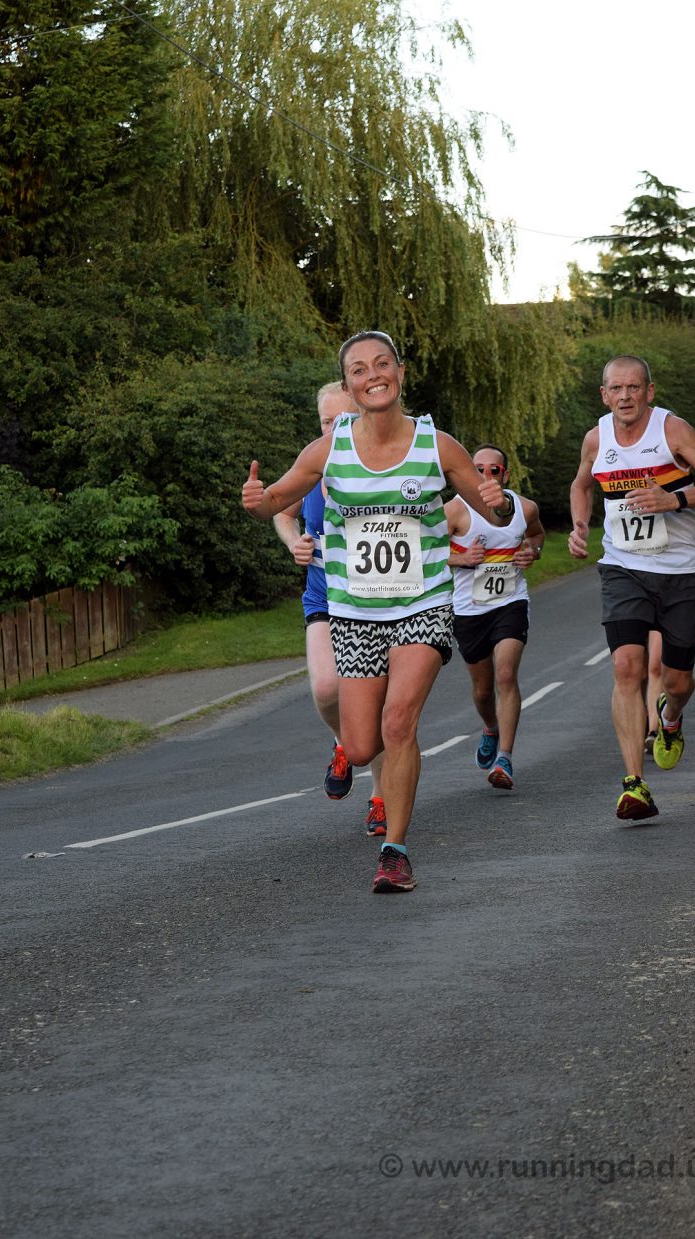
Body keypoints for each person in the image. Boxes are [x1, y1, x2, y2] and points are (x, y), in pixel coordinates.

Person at [243, 330, 513, 892]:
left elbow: (490, 502)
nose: (373, 376)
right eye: (360, 370)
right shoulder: (329, 449)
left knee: (398, 725)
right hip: (354, 609)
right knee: (365, 744)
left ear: (401, 372)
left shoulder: (436, 445)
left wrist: (499, 501)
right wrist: (257, 501)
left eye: (382, 364)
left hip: (422, 602)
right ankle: (348, 750)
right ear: (349, 385)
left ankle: (395, 849)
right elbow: (277, 498)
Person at [569, 354, 695, 821]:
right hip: (624, 568)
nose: (624, 397)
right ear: (604, 395)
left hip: (681, 573)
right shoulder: (596, 438)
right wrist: (580, 525)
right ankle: (634, 782)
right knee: (626, 666)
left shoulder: (673, 431)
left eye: (633, 388)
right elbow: (581, 484)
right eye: (615, 389)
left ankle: (672, 718)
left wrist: (673, 498)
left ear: (650, 391)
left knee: (678, 682)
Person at [273, 382, 387, 835]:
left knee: (376, 709)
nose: (337, 426)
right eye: (327, 420)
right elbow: (281, 510)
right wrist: (293, 542)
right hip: (324, 594)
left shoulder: (384, 462)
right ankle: (343, 743)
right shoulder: (315, 462)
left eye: (345, 417)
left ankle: (380, 799)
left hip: (375, 600)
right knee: (325, 690)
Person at [445, 443, 545, 790]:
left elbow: (536, 535)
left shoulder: (524, 508)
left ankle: (505, 758)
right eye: (479, 470)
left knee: (505, 675)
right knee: (483, 689)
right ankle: (490, 726)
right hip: (469, 610)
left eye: (494, 470)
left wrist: (533, 552)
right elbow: (423, 552)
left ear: (506, 474)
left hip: (510, 602)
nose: (487, 476)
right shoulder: (454, 512)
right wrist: (460, 559)